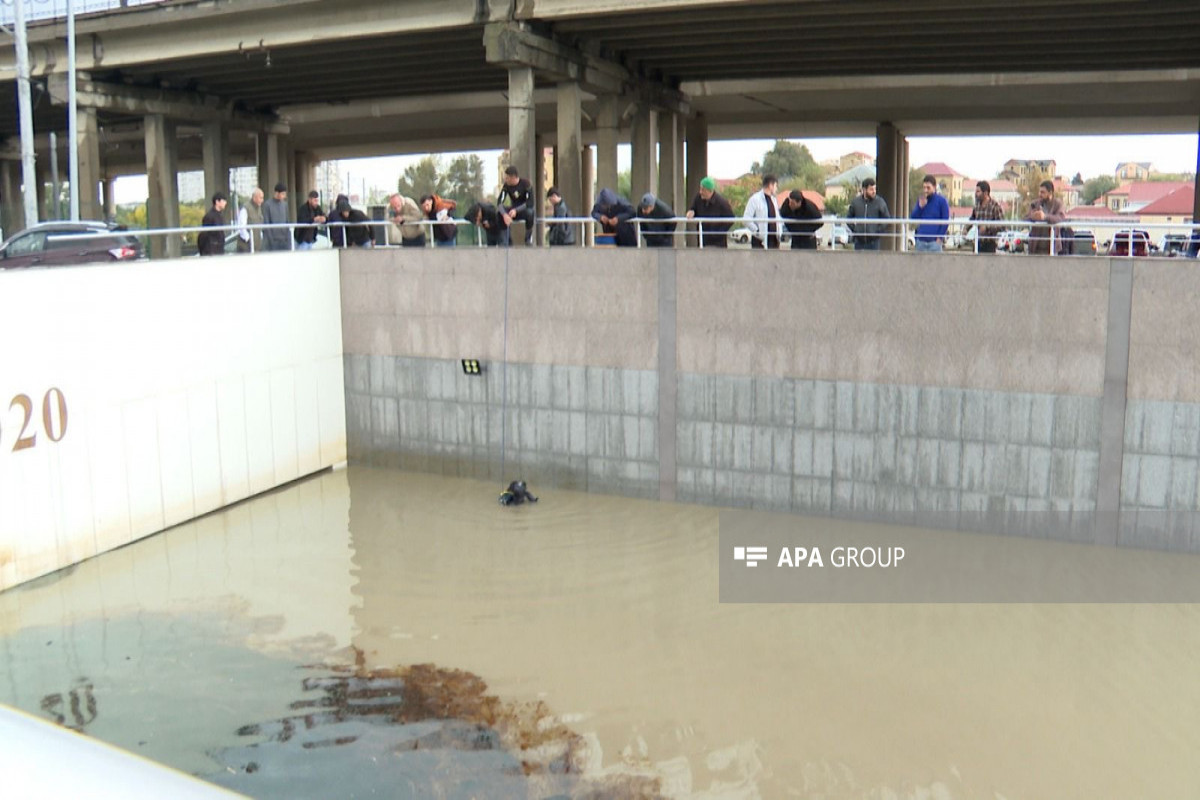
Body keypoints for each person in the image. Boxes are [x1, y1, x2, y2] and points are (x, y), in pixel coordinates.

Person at [685, 176, 734, 248]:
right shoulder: (698, 198)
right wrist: (691, 212)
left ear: (710, 191)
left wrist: (717, 233)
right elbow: (694, 208)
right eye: (700, 189)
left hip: (718, 244)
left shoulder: (722, 203)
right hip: (702, 240)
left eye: (703, 190)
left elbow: (731, 219)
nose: (700, 192)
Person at [846, 178, 890, 251]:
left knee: (873, 262)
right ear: (864, 190)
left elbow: (886, 219)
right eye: (871, 189)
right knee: (858, 262)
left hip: (874, 242)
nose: (874, 191)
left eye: (875, 189)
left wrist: (877, 232)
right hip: (859, 242)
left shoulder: (880, 202)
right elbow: (848, 218)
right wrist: (855, 230)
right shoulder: (856, 202)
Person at [1027, 179, 1068, 255]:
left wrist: (1045, 217)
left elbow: (1060, 218)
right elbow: (1027, 217)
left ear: (1050, 193)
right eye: (1039, 192)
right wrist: (1033, 216)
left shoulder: (1058, 204)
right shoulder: (1035, 203)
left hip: (1052, 247)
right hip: (1035, 247)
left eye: (1043, 192)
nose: (1040, 194)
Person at [911, 175, 950, 252]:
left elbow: (945, 221)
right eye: (924, 187)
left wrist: (939, 238)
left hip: (934, 243)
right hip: (920, 242)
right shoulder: (921, 201)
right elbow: (913, 218)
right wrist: (920, 207)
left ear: (934, 187)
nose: (925, 190)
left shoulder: (942, 201)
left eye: (928, 188)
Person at [497, 165, 534, 245]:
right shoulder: (506, 186)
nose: (505, 180)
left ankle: (528, 238)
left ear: (513, 177)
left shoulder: (526, 184)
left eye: (507, 178)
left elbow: (530, 202)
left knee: (530, 212)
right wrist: (504, 214)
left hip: (523, 209)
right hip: (512, 210)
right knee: (499, 213)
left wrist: (516, 210)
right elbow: (500, 202)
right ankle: (506, 241)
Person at [965, 180, 1004, 254]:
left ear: (985, 193)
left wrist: (987, 227)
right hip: (977, 241)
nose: (975, 194)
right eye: (976, 191)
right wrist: (966, 228)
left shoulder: (995, 206)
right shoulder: (976, 206)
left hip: (989, 243)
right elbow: (972, 219)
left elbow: (1002, 225)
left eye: (978, 191)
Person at [743, 173, 781, 249]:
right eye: (776, 186)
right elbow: (746, 219)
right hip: (760, 241)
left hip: (774, 240)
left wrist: (779, 232)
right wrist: (757, 231)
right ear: (771, 185)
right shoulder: (755, 199)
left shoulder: (774, 200)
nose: (776, 189)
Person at [261, 183, 291, 251]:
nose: (284, 196)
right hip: (273, 241)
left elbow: (287, 222)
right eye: (283, 194)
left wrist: (288, 239)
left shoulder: (285, 205)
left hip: (284, 240)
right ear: (277, 193)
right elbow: (266, 224)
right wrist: (271, 241)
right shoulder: (267, 205)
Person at [198, 191, 227, 256]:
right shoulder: (209, 216)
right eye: (223, 200)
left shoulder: (219, 215)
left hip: (218, 249)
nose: (225, 203)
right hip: (211, 250)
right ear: (217, 202)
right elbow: (204, 234)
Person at [236, 187, 264, 253]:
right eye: (260, 198)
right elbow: (241, 227)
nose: (262, 200)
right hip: (246, 247)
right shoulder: (245, 208)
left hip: (256, 247)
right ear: (254, 197)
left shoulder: (259, 208)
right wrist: (249, 239)